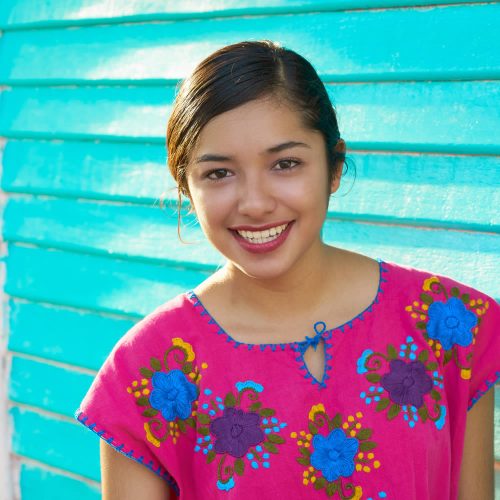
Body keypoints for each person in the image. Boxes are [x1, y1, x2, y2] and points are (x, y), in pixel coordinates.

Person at [75, 40, 498, 500]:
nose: (255, 203)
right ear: (186, 186)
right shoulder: (150, 371)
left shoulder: (448, 324)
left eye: (286, 164)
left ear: (334, 167)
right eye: (219, 173)